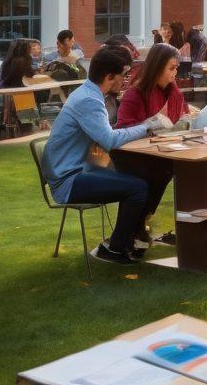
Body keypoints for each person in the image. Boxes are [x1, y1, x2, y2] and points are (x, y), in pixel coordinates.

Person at [41, 46, 172, 264]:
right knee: (138, 188)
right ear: (110, 77)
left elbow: (105, 133)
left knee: (143, 179)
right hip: (68, 180)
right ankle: (115, 248)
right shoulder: (90, 100)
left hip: (74, 171)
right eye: (124, 75)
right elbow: (109, 139)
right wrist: (148, 126)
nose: (126, 80)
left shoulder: (88, 93)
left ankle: (131, 239)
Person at [112, 43, 185, 249]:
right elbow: (123, 128)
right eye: (171, 68)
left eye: (176, 68)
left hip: (155, 153)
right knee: (158, 172)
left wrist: (176, 96)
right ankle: (135, 228)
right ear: (157, 67)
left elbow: (181, 115)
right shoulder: (134, 94)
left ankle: (140, 224)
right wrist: (149, 128)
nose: (175, 73)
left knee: (169, 168)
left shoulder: (170, 91)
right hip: (130, 156)